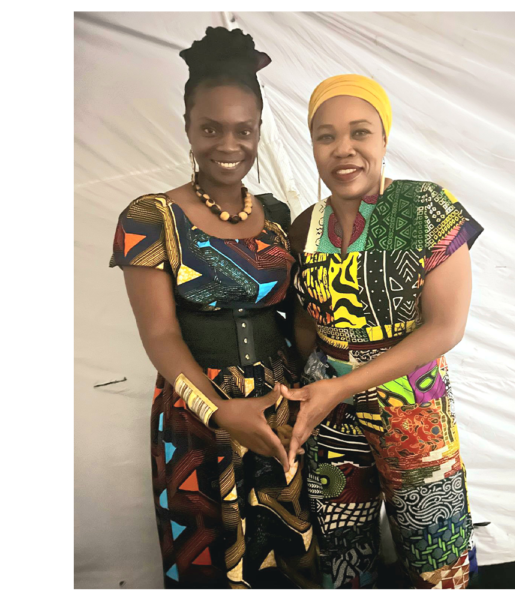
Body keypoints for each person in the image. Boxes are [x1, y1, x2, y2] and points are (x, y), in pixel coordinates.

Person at [109, 27, 319, 590]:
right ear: (187, 126)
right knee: (213, 556)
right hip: (197, 413)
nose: (229, 144)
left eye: (243, 130)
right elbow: (159, 335)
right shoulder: (150, 218)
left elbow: (298, 317)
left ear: (258, 129)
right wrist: (220, 411)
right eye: (210, 128)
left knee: (286, 549)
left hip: (278, 408)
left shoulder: (277, 216)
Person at [283, 74, 484, 590]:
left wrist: (342, 386)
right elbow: (305, 320)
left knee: (435, 554)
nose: (343, 149)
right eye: (326, 136)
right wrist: (309, 389)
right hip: (331, 417)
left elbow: (446, 327)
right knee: (342, 551)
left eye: (360, 132)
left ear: (384, 138)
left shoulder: (424, 207)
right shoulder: (304, 225)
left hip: (413, 411)